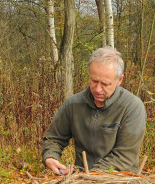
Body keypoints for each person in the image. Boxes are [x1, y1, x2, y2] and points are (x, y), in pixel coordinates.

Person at [42, 47, 146, 175]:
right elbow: (54, 138)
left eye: (105, 84)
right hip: (81, 180)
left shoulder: (132, 107)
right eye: (94, 81)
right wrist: (50, 157)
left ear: (119, 80)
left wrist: (90, 175)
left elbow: (125, 156)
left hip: (119, 180)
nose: (98, 89)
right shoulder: (73, 104)